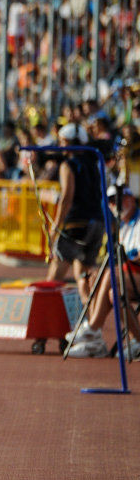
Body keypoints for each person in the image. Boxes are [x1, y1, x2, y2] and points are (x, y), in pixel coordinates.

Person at [66, 185, 140, 358]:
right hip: (130, 275)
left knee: (110, 275)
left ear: (130, 199)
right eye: (112, 202)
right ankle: (96, 342)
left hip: (135, 274)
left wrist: (126, 260)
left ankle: (93, 328)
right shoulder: (123, 227)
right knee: (97, 282)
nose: (115, 205)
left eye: (118, 200)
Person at [45, 123, 105, 303]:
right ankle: (90, 319)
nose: (61, 146)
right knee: (84, 273)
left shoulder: (68, 165)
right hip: (97, 221)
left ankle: (46, 315)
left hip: (76, 223)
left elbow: (67, 196)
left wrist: (56, 226)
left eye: (63, 142)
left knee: (56, 272)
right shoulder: (95, 162)